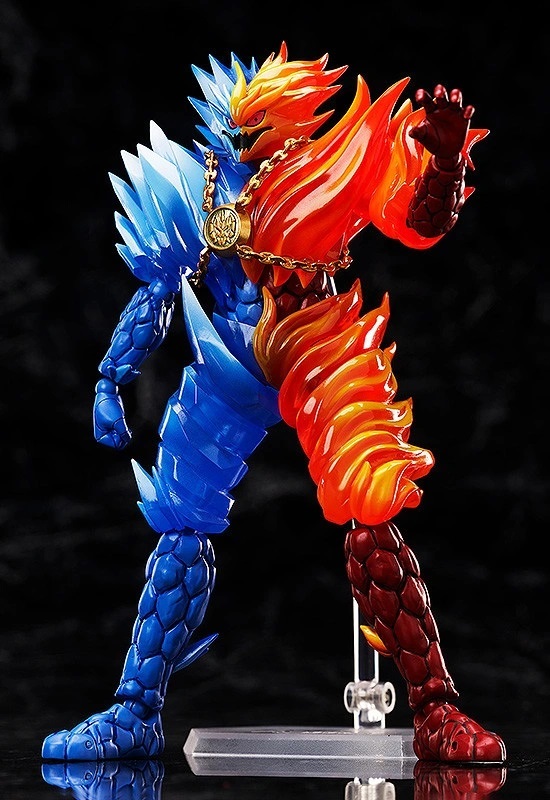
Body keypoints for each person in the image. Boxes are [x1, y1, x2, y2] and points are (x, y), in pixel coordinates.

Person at [41, 42, 505, 763]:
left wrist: (442, 168)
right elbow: (157, 291)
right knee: (179, 521)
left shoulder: (326, 174)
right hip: (235, 352)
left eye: (261, 124)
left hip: (317, 342)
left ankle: (436, 707)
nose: (248, 137)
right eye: (241, 125)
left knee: (371, 507)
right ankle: (134, 712)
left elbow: (416, 218)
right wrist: (110, 375)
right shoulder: (206, 187)